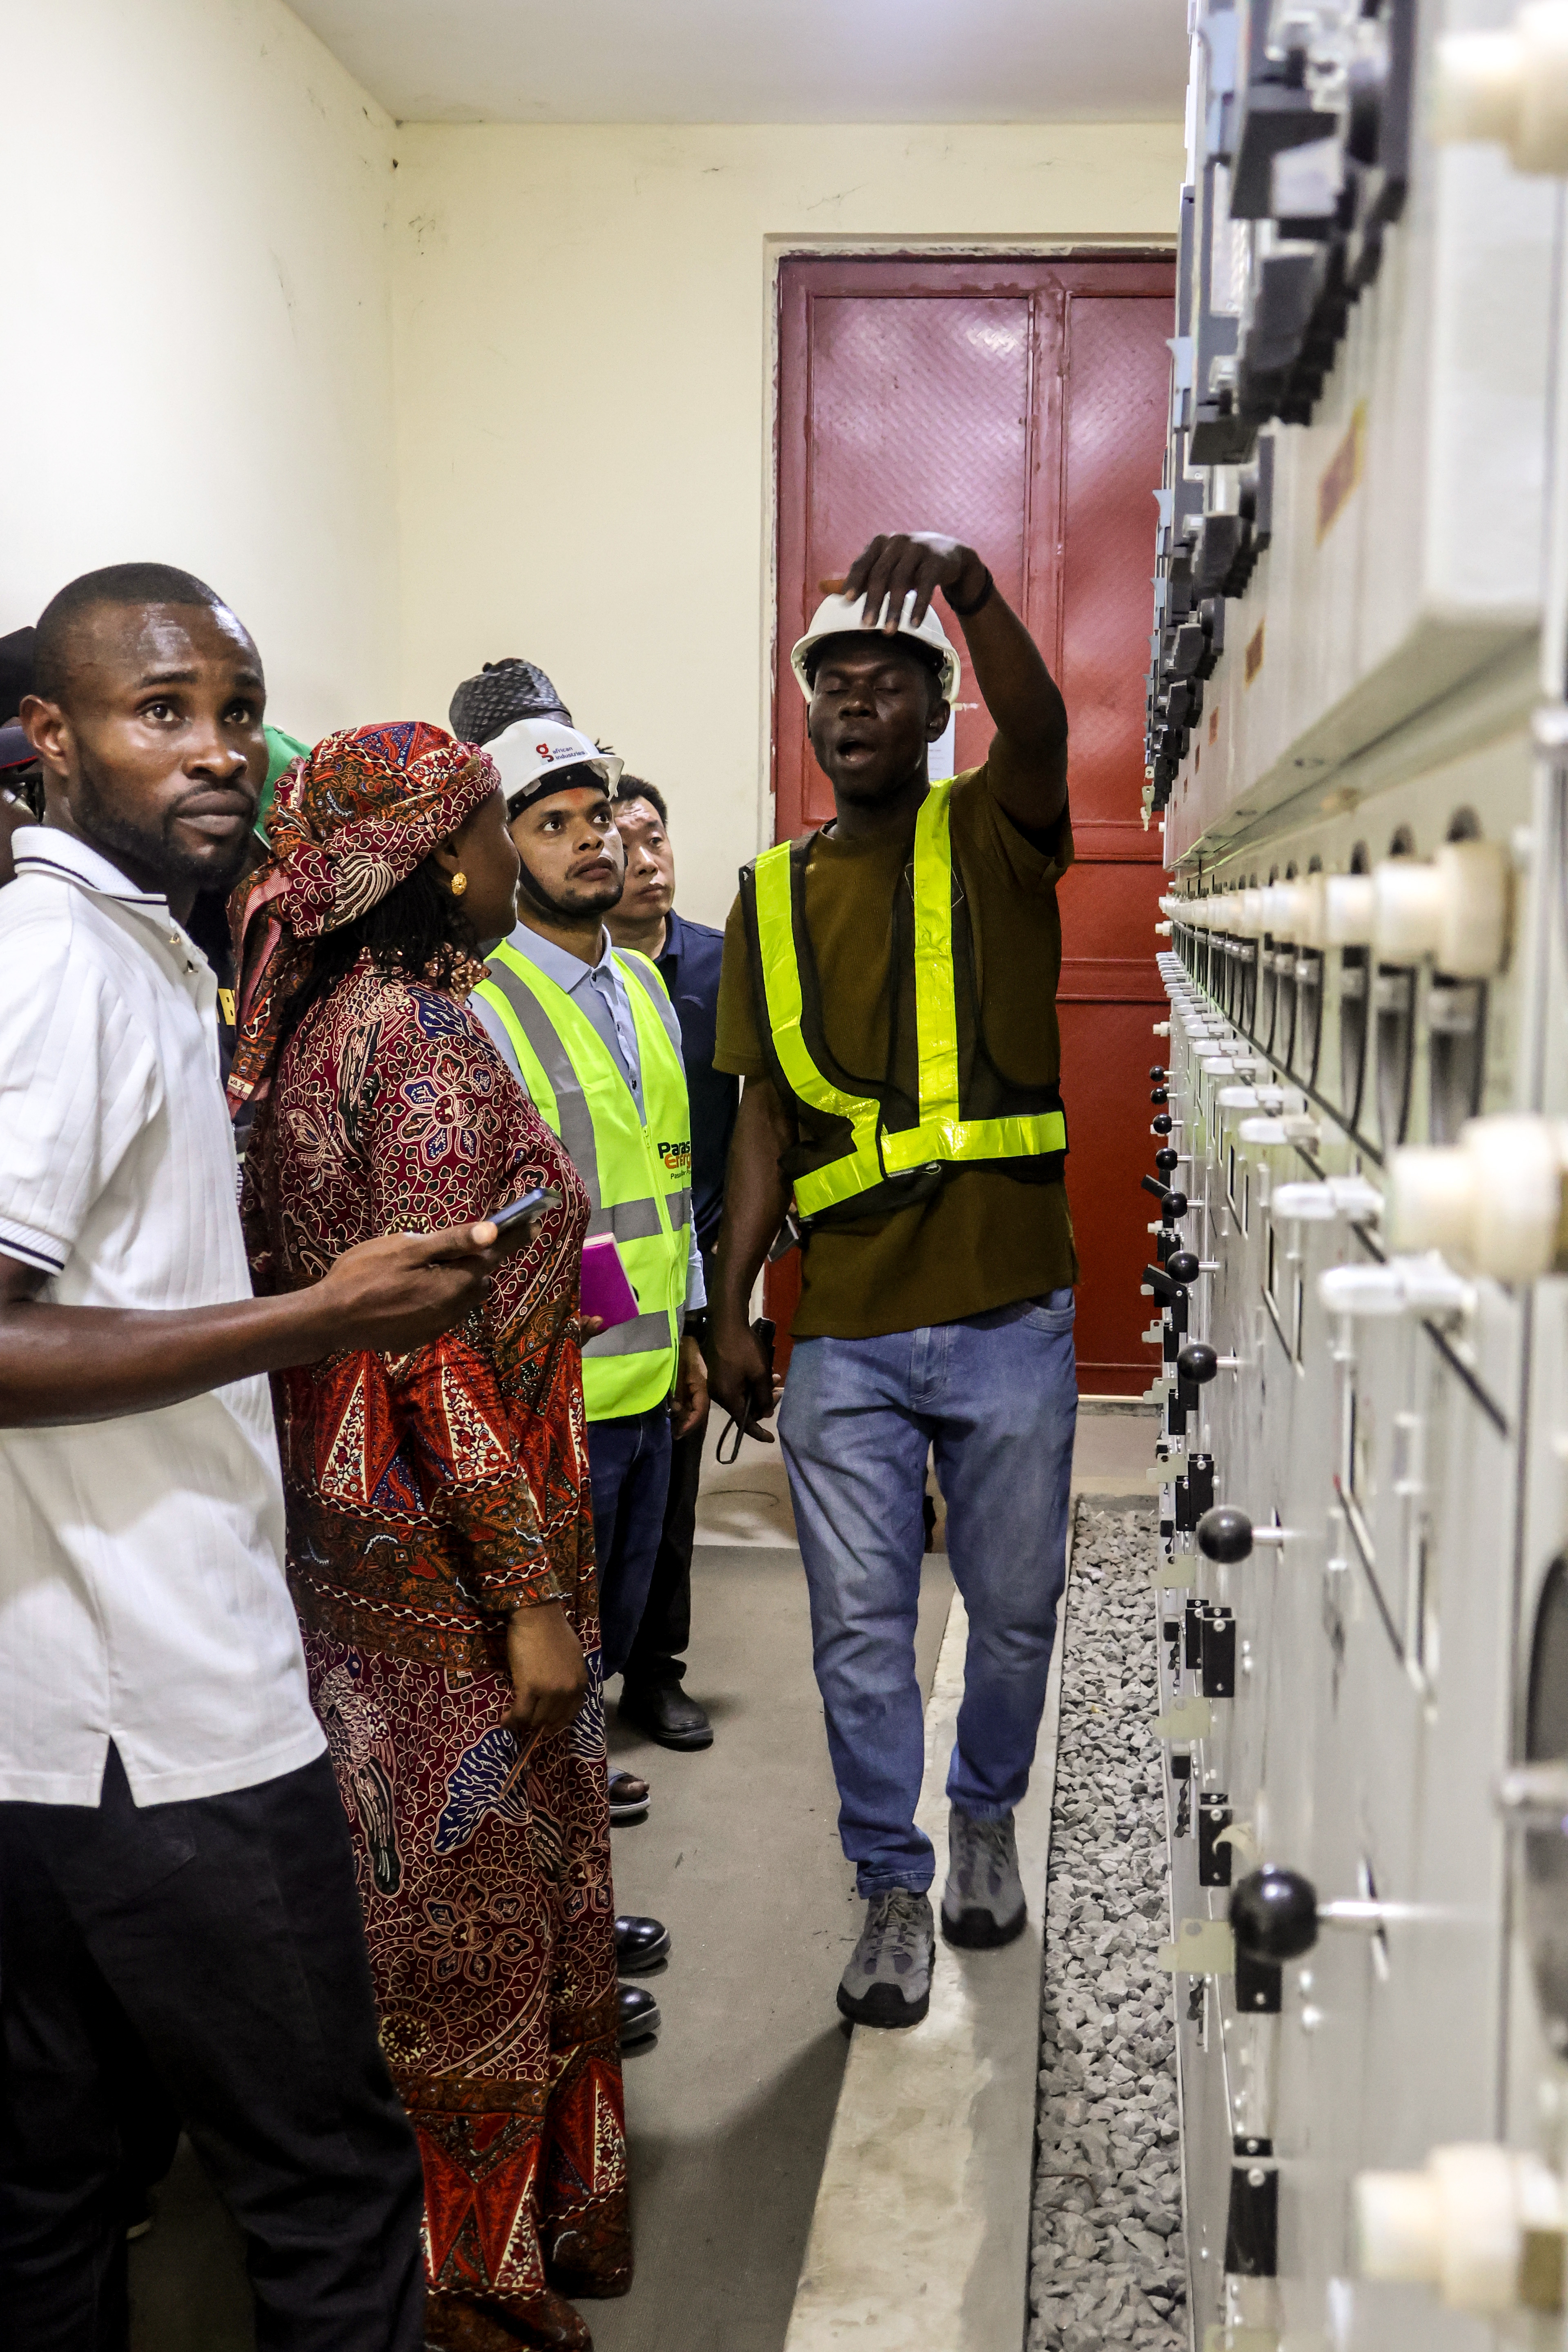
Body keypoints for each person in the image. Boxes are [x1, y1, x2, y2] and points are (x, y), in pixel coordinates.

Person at [0, 562, 515, 2350]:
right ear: (49, 739)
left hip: (55, 1722)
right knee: (327, 2188)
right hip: (171, 1726)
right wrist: (320, 1317)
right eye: (162, 713)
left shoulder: (131, 947)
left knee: (53, 2189)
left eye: (235, 708)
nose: (216, 752)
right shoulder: (59, 963)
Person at [233, 719, 633, 2352]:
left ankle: (466, 2266)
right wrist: (531, 1601)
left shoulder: (323, 1025)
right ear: (435, 861)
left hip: (360, 1562)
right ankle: (478, 2294)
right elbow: (437, 1342)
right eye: (480, 830)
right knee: (478, 1938)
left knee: (411, 1926)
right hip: (461, 1582)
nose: (496, 859)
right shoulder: (422, 1041)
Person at [708, 530, 1078, 2031]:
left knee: (1014, 1604)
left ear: (935, 712)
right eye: (834, 688)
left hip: (1005, 1311)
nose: (856, 705)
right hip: (846, 1333)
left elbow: (1046, 731)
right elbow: (758, 1122)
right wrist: (730, 1308)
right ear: (813, 721)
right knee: (857, 1631)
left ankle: (986, 1808)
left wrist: (973, 599)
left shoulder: (996, 829)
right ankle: (888, 1881)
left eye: (887, 683)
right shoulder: (768, 895)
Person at [467, 722, 708, 1828]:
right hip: (555, 1398)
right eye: (551, 825)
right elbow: (512, 1223)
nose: (587, 842)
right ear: (508, 852)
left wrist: (691, 1332)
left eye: (596, 817)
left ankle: (572, 1797)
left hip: (651, 1379)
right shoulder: (487, 1002)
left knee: (609, 1626)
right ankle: (543, 1849)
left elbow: (665, 1184)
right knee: (548, 1639)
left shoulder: (648, 986)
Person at [603, 777, 737, 1750]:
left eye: (659, 840)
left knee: (672, 1485)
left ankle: (656, 1670)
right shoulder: (540, 986)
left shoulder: (717, 971)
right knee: (592, 1491)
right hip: (588, 1279)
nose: (649, 863)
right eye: (628, 843)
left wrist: (718, 1291)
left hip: (694, 1258)